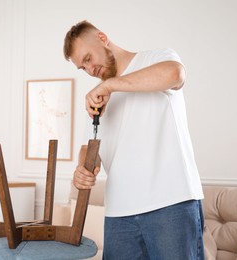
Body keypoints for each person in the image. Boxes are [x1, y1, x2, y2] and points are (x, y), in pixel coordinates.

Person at [63, 20, 205, 260]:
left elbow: (175, 73)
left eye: (88, 59)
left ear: (102, 38)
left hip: (171, 204)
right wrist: (82, 169)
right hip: (119, 215)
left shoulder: (155, 59)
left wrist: (110, 86)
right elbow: (90, 147)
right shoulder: (97, 99)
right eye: (82, 68)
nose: (89, 70)